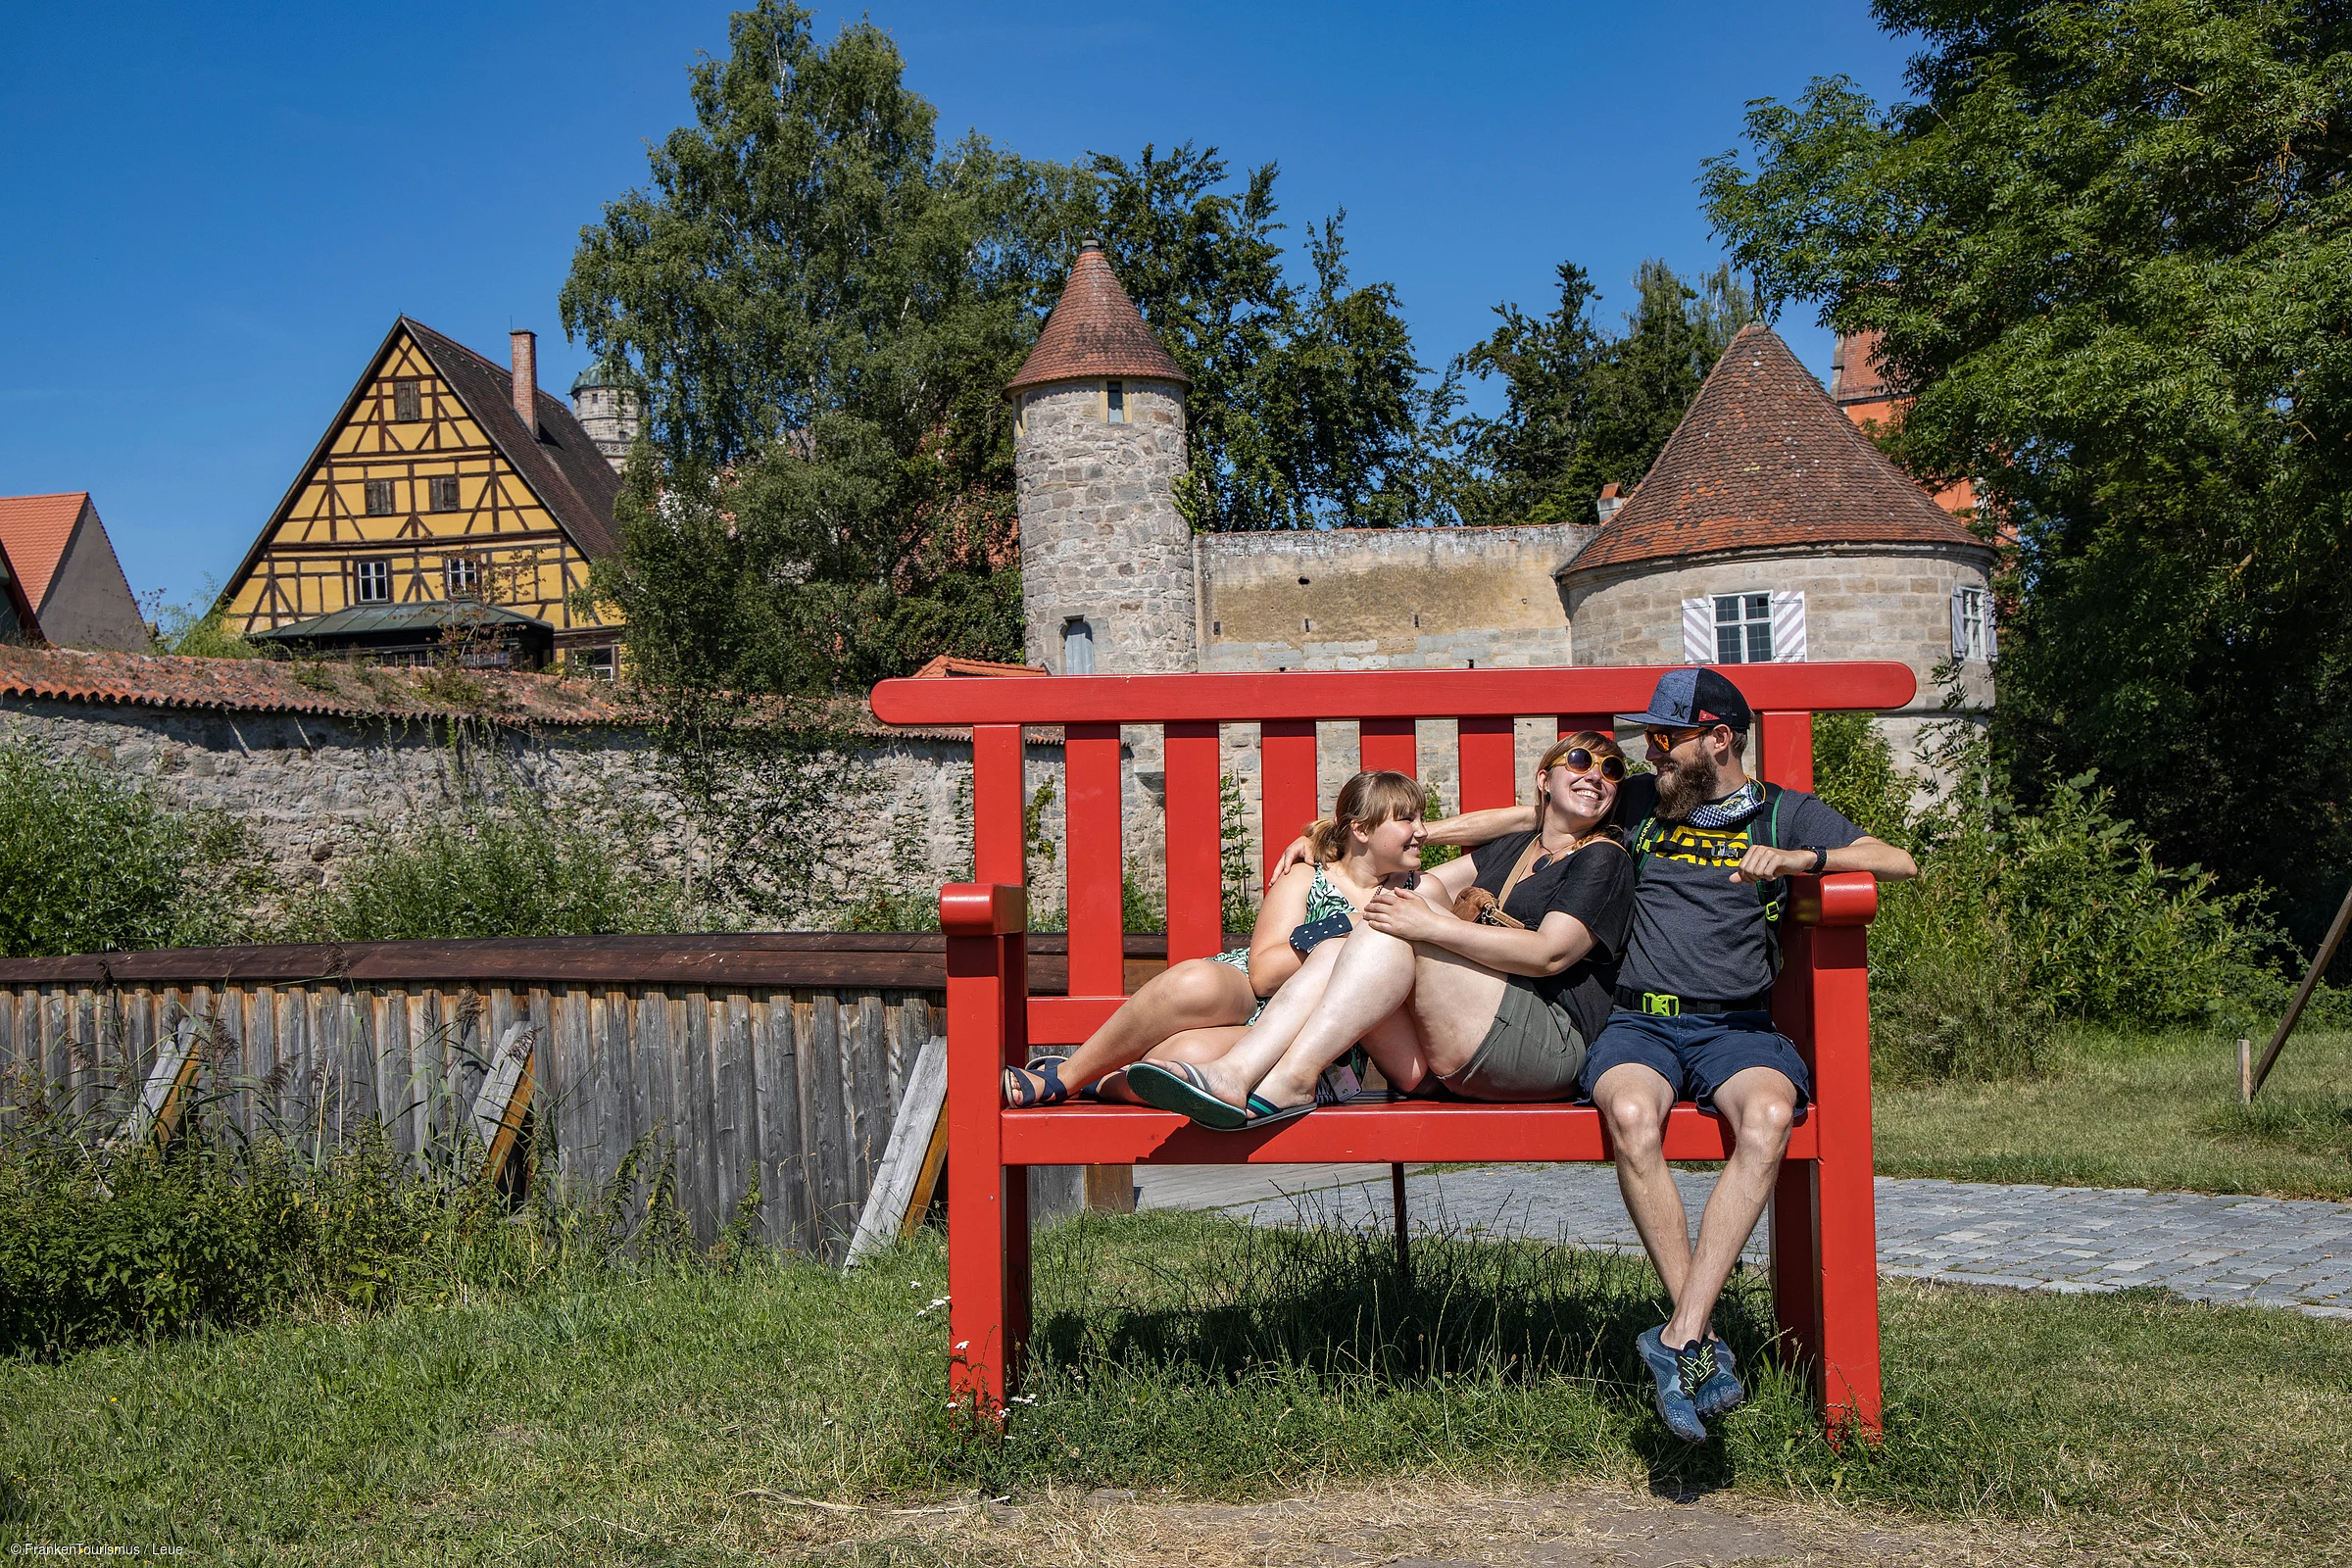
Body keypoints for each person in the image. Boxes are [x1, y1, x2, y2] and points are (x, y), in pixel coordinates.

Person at [1586, 668, 1916, 1444]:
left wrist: (1802, 861)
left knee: (1769, 1116)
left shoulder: (1781, 813)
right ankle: (1697, 1340)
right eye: (1648, 739)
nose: (1651, 753)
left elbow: (1898, 860)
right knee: (1630, 1113)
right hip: (1640, 1022)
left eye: (1664, 738)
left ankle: (1677, 1336)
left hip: (1736, 1029)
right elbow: (1534, 815)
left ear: (1718, 739)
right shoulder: (1642, 803)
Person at [1127, 734, 1635, 1127]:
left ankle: (1290, 1077)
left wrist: (1428, 923)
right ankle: (1238, 1074)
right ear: (1544, 778)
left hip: (1545, 1043)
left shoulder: (1602, 859)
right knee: (1387, 914)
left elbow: (1549, 954)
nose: (1596, 775)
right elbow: (1419, 879)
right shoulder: (1517, 848)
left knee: (1397, 916)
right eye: (1580, 762)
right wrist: (1341, 838)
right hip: (1458, 1042)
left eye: (1612, 770)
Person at [1003, 769, 1431, 1108]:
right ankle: (1066, 1076)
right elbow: (1264, 975)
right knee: (1195, 981)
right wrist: (1345, 923)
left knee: (1181, 1063)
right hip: (1254, 995)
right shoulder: (1307, 876)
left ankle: (1098, 1083)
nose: (1425, 831)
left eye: (1423, 818)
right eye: (1408, 819)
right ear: (1360, 830)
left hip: (1317, 1043)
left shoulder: (1419, 891)